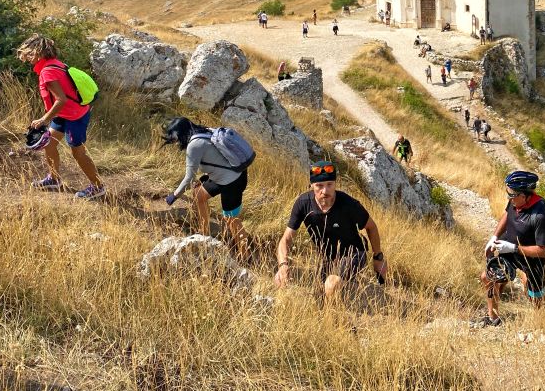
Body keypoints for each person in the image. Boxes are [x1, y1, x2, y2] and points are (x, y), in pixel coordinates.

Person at [274, 162, 387, 299]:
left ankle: (334, 315)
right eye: (319, 186)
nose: (325, 191)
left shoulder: (349, 204)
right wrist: (283, 265)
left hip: (354, 251)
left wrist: (378, 257)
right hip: (328, 257)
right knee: (316, 292)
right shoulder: (303, 204)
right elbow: (286, 239)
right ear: (311, 186)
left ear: (335, 184)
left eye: (329, 185)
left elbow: (371, 227)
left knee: (331, 284)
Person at [16, 34, 105, 199]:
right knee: (49, 144)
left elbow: (61, 100)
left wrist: (44, 119)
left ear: (39, 52)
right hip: (64, 114)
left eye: (29, 54)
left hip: (74, 116)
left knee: (78, 153)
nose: (27, 58)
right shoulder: (54, 64)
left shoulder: (47, 72)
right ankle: (54, 179)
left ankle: (98, 187)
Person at [162, 117, 253, 256]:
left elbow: (189, 178)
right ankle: (204, 233)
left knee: (231, 219)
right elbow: (214, 158)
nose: (175, 142)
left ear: (180, 134)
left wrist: (174, 196)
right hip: (225, 175)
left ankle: (245, 254)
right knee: (199, 195)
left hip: (232, 181)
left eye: (175, 138)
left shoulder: (194, 145)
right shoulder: (205, 131)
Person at [479, 171, 545, 326]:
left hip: (532, 260)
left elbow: (543, 251)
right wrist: (494, 237)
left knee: (535, 298)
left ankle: (542, 322)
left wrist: (514, 248)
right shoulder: (515, 201)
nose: (509, 198)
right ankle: (493, 318)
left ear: (525, 195)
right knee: (488, 277)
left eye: (512, 195)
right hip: (509, 251)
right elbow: (507, 216)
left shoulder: (540, 215)